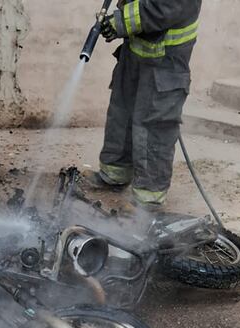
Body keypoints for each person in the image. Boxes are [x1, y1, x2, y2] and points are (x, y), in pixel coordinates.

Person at [85, 0, 201, 214]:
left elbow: (167, 7)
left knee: (154, 127)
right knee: (122, 113)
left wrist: (120, 21)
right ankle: (115, 173)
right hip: (136, 51)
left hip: (166, 60)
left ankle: (149, 198)